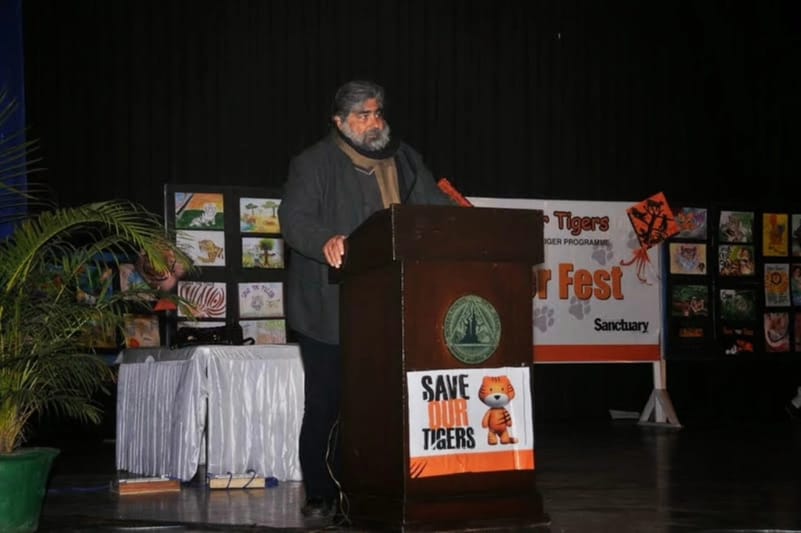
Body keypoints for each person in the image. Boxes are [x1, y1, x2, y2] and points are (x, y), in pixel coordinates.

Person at [277, 80, 453, 521]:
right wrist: (326, 240)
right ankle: (321, 493)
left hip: (391, 306)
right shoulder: (313, 162)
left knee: (378, 405)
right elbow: (294, 218)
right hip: (328, 309)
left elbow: (436, 209)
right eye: (363, 115)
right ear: (339, 122)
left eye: (378, 113)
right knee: (328, 403)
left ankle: (372, 486)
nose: (374, 122)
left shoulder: (405, 159)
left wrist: (468, 229)